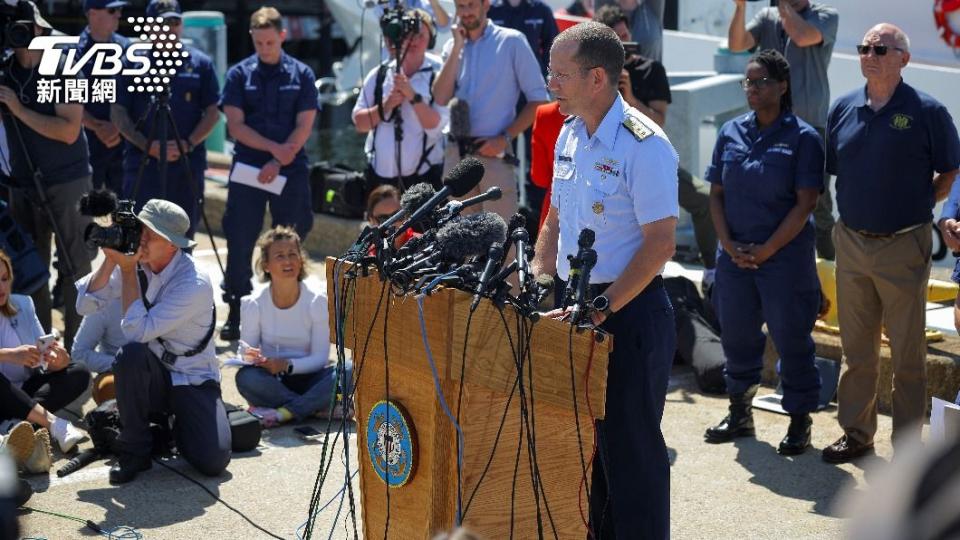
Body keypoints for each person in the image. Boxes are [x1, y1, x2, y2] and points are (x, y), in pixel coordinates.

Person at [532, 22, 678, 538]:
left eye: (560, 73)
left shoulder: (645, 144)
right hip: (577, 307)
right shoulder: (570, 132)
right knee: (587, 451)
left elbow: (661, 244)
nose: (551, 83)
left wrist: (605, 305)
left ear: (597, 78)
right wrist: (537, 277)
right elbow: (554, 218)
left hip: (630, 312)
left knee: (633, 455)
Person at [822, 23, 960, 463]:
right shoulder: (843, 108)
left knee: (907, 354)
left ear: (904, 57)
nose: (870, 54)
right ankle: (857, 434)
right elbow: (835, 169)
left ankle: (906, 450)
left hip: (903, 244)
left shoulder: (927, 111)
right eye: (864, 47)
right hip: (852, 242)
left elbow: (950, 170)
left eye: (880, 48)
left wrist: (925, 200)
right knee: (857, 349)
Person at [702, 50, 823, 455]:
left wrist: (766, 250)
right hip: (735, 258)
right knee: (735, 335)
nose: (752, 89)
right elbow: (715, 195)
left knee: (792, 339)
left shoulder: (804, 137)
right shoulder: (730, 132)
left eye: (761, 82)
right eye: (748, 82)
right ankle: (740, 413)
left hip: (784, 259)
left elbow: (806, 203)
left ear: (783, 86)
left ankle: (799, 420)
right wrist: (728, 245)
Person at [76, 199, 231, 483]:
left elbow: (138, 329)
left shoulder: (193, 283)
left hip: (193, 379)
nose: (141, 240)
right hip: (153, 373)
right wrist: (111, 260)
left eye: (150, 235)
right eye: (140, 230)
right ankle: (135, 451)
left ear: (173, 245)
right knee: (130, 355)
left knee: (213, 461)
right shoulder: (138, 262)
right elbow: (84, 305)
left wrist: (125, 271)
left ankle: (173, 426)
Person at [596, 4, 719, 287]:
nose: (628, 49)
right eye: (619, 42)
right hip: (606, 164)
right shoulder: (595, 76)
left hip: (646, 160)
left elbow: (656, 123)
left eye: (629, 39)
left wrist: (629, 98)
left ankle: (712, 268)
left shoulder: (650, 70)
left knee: (704, 199)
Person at [219, 7, 318, 341]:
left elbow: (304, 124)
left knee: (291, 238)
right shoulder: (238, 75)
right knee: (239, 236)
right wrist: (272, 151)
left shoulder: (301, 74)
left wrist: (279, 157)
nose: (264, 49)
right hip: (249, 166)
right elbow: (235, 125)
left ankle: (289, 305)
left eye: (270, 43)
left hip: (289, 166)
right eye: (259, 43)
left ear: (282, 36)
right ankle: (236, 307)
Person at [0, 1, 95, 351]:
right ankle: (42, 349)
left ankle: (78, 348)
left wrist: (18, 108)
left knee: (76, 269)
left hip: (67, 181)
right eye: (14, 28)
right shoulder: (6, 70)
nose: (24, 35)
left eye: (27, 27)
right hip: (22, 184)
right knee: (29, 270)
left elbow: (70, 130)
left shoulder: (66, 63)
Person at [728, 0, 839, 260]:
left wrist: (782, 4)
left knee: (818, 203)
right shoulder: (768, 16)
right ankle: (774, 257)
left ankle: (831, 268)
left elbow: (802, 36)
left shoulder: (825, 15)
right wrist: (741, 7)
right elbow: (736, 44)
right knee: (770, 195)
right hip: (772, 126)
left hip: (811, 125)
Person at [111, 0, 220, 237]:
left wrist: (188, 143)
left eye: (175, 22)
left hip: (186, 165)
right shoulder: (132, 63)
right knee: (139, 237)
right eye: (163, 23)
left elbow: (213, 110)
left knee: (182, 237)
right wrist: (147, 146)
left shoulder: (200, 64)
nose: (169, 28)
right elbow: (118, 112)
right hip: (143, 165)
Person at [433, 0, 549, 219]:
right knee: (459, 240)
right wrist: (457, 46)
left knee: (501, 240)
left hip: (494, 155)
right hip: (456, 154)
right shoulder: (452, 46)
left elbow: (539, 100)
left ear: (486, 4)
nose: (465, 12)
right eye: (460, 6)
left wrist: (504, 139)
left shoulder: (511, 41)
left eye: (470, 5)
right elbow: (440, 97)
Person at [235, 227, 354, 427]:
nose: (288, 261)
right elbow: (244, 353)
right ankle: (316, 407)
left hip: (313, 378)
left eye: (292, 254)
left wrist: (286, 364)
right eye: (279, 256)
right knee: (246, 378)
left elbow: (320, 358)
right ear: (266, 265)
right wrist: (251, 356)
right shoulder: (252, 303)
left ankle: (285, 412)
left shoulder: (317, 301)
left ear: (301, 260)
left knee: (350, 368)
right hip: (274, 382)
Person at [0, 249, 89, 458]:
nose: (1, 287)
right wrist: (9, 355)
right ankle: (54, 424)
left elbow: (43, 358)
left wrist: (57, 360)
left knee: (79, 372)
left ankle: (14, 427)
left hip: (24, 394)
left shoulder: (23, 304)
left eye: (4, 279)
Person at [352, 9, 448, 191]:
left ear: (431, 39)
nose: (414, 41)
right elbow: (359, 123)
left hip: (423, 178)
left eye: (420, 35)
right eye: (409, 35)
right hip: (380, 179)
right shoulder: (379, 74)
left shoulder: (438, 73)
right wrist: (387, 104)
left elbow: (436, 128)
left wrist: (412, 95)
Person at [79, 0, 129, 194]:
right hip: (86, 145)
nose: (118, 15)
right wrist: (97, 126)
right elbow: (65, 96)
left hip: (123, 143)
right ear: (92, 13)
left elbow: (137, 96)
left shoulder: (127, 49)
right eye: (112, 10)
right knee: (89, 214)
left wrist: (117, 126)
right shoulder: (72, 52)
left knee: (125, 212)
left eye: (120, 10)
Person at [70, 297, 125, 404]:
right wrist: (122, 365)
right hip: (118, 371)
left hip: (161, 368)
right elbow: (79, 353)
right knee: (108, 387)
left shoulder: (164, 294)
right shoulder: (104, 300)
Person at [488, 0, 559, 76]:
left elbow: (553, 45)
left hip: (532, 76)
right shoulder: (490, 10)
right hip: (499, 76)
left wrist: (545, 73)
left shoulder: (541, 9)